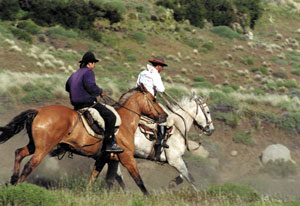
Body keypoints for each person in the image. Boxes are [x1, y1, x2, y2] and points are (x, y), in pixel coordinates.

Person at [66, 51, 124, 153]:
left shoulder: (74, 74)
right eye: (94, 63)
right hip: (87, 103)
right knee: (111, 117)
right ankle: (109, 144)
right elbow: (91, 86)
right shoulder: (89, 72)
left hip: (75, 105)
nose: (94, 65)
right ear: (90, 63)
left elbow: (67, 87)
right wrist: (100, 91)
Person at [136, 56, 169, 148]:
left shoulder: (142, 73)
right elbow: (161, 89)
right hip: (148, 101)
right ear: (158, 66)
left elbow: (137, 85)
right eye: (162, 67)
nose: (162, 69)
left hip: (138, 98)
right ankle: (160, 140)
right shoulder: (155, 75)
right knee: (163, 116)